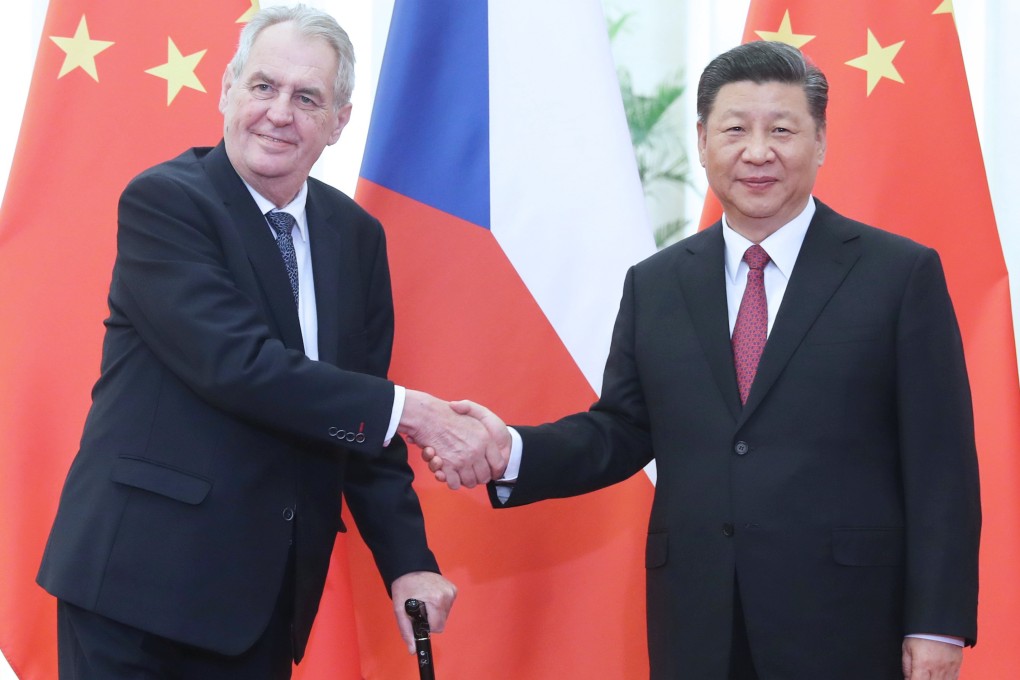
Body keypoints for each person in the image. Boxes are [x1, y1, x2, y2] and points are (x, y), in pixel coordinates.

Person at [425, 41, 981, 679]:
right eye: (735, 129)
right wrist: (511, 452)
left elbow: (941, 464)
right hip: (699, 622)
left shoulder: (898, 273)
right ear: (701, 140)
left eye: (782, 129)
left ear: (821, 141)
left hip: (847, 621)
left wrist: (937, 624)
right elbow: (621, 430)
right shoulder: (656, 283)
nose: (757, 151)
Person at [37, 5, 499, 678]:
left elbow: (360, 424)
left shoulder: (355, 237)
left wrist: (408, 565)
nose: (279, 113)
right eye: (263, 86)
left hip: (262, 604)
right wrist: (418, 412)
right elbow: (239, 365)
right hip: (135, 599)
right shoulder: (166, 204)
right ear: (227, 90)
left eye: (307, 98)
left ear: (339, 122)